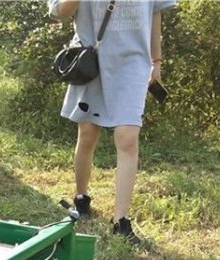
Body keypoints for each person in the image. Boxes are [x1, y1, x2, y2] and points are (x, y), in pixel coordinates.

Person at [49, 0, 175, 246]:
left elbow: (155, 12)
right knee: (87, 134)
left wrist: (156, 63)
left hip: (133, 64)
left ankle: (121, 220)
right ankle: (81, 195)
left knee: (127, 137)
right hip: (91, 60)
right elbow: (58, 13)